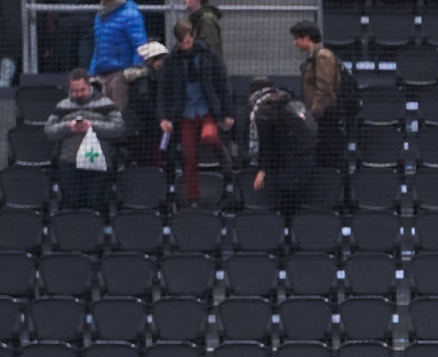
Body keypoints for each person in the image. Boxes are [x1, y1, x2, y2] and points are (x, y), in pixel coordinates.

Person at [156, 20, 233, 204]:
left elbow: (222, 83)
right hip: (185, 112)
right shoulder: (172, 60)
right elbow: (163, 91)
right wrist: (164, 118)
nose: (186, 46)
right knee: (189, 156)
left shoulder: (208, 55)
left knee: (209, 136)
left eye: (188, 42)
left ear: (193, 36)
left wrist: (227, 113)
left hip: (207, 108)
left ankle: (223, 156)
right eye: (182, 43)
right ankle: (193, 198)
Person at [45, 70, 124, 214]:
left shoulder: (106, 104)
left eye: (82, 90)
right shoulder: (62, 106)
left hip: (97, 163)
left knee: (96, 205)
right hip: (69, 163)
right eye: (75, 91)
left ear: (89, 86)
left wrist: (92, 125)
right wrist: (68, 126)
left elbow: (118, 128)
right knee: (73, 205)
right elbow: (50, 131)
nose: (79, 94)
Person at [247, 81, 316, 219]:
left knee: (282, 209)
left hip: (285, 166)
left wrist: (262, 169)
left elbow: (265, 145)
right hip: (302, 164)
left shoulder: (262, 114)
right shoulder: (296, 108)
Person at [290, 20, 345, 174]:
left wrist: (313, 114)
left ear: (307, 37)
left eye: (296, 39)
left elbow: (324, 89)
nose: (295, 43)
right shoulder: (313, 58)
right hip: (319, 116)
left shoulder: (323, 57)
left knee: (327, 159)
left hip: (325, 118)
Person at [90, 0, 147, 108]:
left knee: (118, 115)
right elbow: (98, 47)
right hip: (100, 75)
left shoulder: (130, 14)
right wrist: (92, 73)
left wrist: (135, 70)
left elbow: (140, 46)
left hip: (120, 75)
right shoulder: (100, 14)